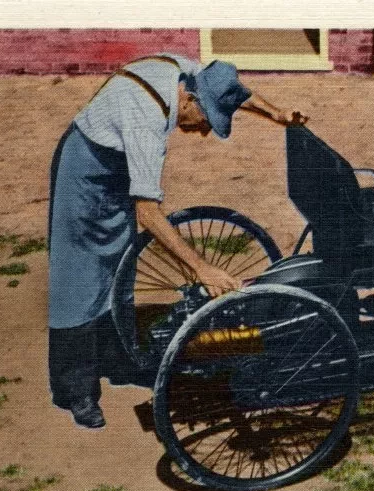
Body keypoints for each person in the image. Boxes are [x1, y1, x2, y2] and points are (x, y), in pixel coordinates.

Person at [47, 53, 306, 429]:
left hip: (117, 166)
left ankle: (117, 359)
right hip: (85, 169)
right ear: (189, 99)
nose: (203, 132)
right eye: (206, 121)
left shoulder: (186, 73)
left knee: (118, 270)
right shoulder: (147, 121)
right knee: (78, 281)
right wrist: (202, 269)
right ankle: (76, 390)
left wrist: (276, 113)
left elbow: (234, 91)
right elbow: (149, 214)